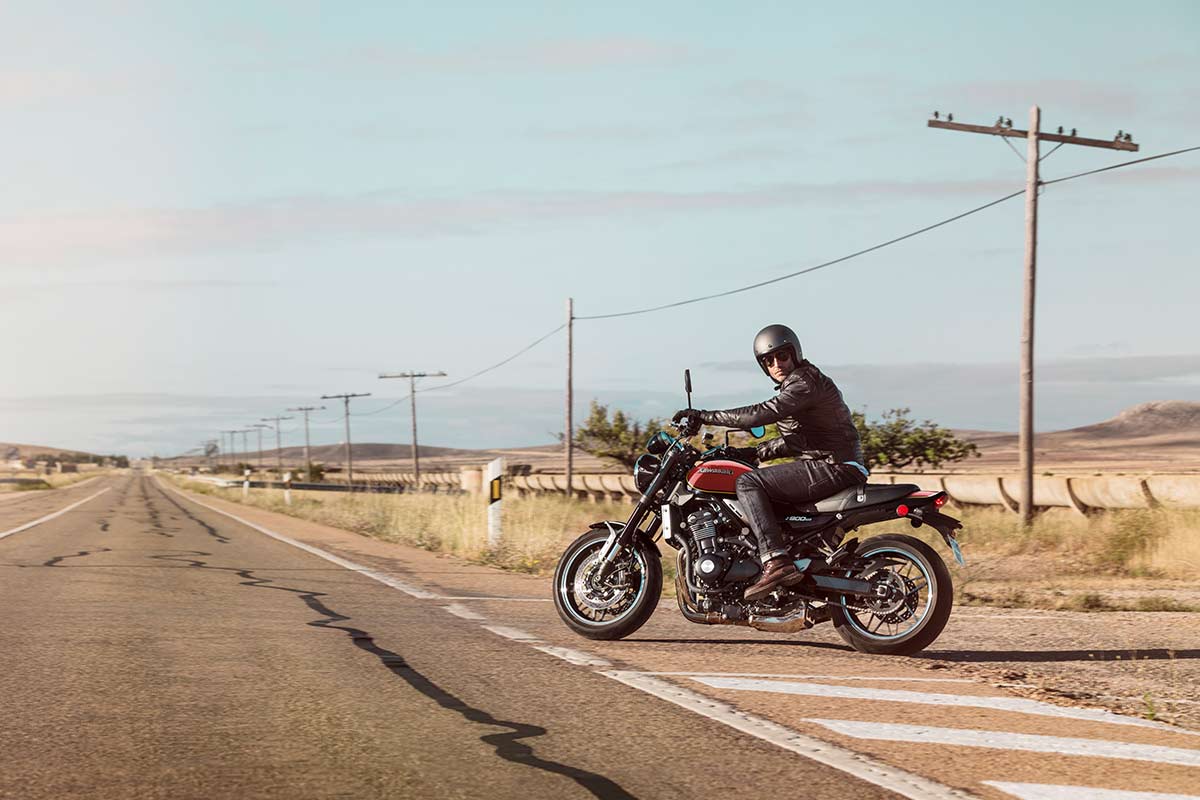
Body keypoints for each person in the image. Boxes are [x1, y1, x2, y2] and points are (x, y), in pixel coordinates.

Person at [673, 324, 868, 602]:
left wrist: (705, 416)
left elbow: (761, 414)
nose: (776, 364)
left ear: (795, 354)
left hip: (832, 465)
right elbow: (797, 441)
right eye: (768, 360)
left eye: (782, 356)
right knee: (760, 482)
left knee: (748, 482)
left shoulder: (803, 381)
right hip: (833, 463)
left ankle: (775, 561)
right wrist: (753, 453)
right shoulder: (802, 386)